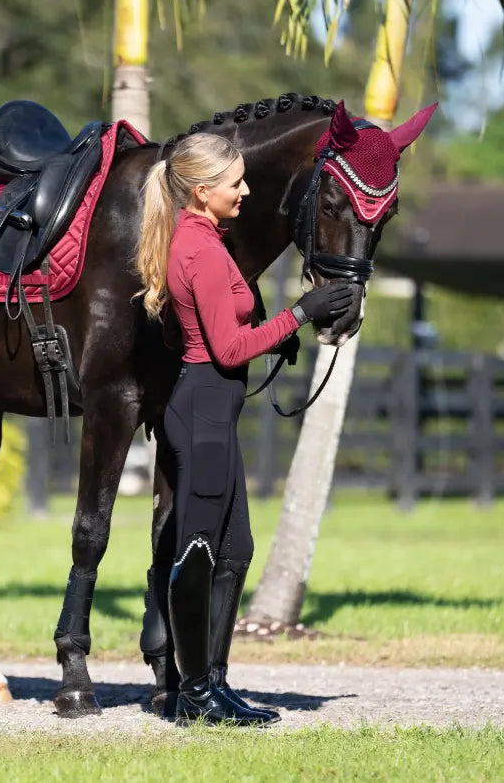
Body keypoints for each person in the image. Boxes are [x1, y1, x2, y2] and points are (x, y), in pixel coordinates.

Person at [136, 133, 354, 727]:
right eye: (236, 183)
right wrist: (302, 313)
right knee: (199, 550)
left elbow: (216, 334)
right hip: (203, 408)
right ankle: (194, 694)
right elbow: (228, 350)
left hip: (213, 410)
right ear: (203, 192)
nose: (247, 190)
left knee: (234, 549)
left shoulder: (207, 239)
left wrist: (278, 332)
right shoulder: (200, 251)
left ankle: (216, 684)